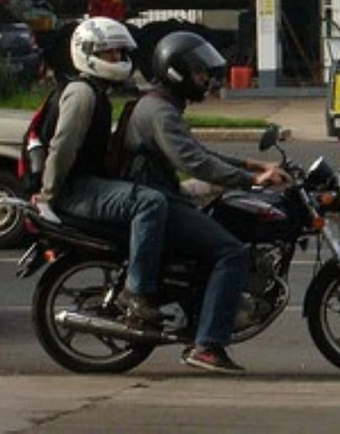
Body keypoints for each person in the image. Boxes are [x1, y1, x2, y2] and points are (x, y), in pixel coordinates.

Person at [121, 31, 287, 374]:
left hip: (165, 196)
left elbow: (196, 151)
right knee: (231, 252)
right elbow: (192, 163)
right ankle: (207, 345)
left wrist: (250, 165)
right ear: (176, 72)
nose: (205, 80)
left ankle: (200, 317)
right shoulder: (158, 111)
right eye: (198, 73)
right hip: (160, 200)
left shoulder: (162, 105)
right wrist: (250, 180)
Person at [37, 17, 169, 325]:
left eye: (120, 53)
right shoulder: (82, 94)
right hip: (75, 190)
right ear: (87, 52)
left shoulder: (96, 92)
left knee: (163, 194)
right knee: (150, 202)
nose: (118, 60)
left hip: (88, 183)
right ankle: (136, 292)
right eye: (110, 53)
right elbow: (63, 147)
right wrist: (48, 194)